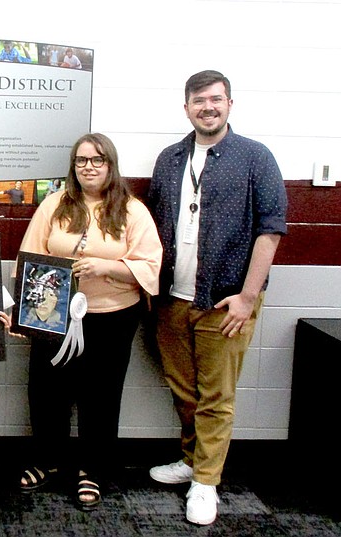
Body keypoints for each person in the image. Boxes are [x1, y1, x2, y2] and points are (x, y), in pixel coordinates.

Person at [147, 70, 287, 526]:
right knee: (185, 391)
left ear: (230, 103)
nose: (208, 107)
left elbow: (271, 230)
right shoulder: (169, 159)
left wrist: (248, 297)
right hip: (172, 298)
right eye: (199, 100)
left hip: (226, 300)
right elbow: (154, 228)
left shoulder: (255, 157)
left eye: (216, 99)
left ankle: (206, 483)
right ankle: (192, 461)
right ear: (185, 107)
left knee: (217, 396)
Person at [16, 133, 162, 511]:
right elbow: (31, 255)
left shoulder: (132, 210)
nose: (89, 167)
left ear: (110, 165)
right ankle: (48, 460)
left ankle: (92, 470)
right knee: (48, 391)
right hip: (55, 317)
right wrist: (25, 309)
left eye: (97, 160)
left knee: (101, 394)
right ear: (73, 166)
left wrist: (108, 267)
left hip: (112, 318)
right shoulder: (54, 205)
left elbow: (150, 264)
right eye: (81, 161)